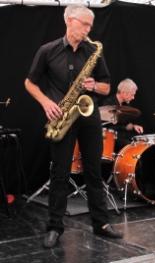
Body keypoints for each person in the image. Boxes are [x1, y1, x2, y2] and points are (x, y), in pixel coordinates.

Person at [24, 5, 122, 248]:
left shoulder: (93, 51)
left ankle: (101, 223)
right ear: (69, 20)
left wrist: (93, 86)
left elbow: (107, 87)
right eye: (85, 24)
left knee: (94, 172)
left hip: (88, 117)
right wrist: (46, 102)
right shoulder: (48, 50)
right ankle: (55, 227)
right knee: (59, 174)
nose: (89, 29)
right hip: (62, 119)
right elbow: (29, 82)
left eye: (91, 25)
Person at [101, 78, 144, 151]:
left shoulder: (125, 105)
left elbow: (125, 124)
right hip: (110, 138)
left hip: (123, 135)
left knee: (141, 141)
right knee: (130, 145)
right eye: (132, 95)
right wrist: (125, 128)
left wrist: (134, 126)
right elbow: (108, 127)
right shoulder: (107, 104)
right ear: (124, 92)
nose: (133, 98)